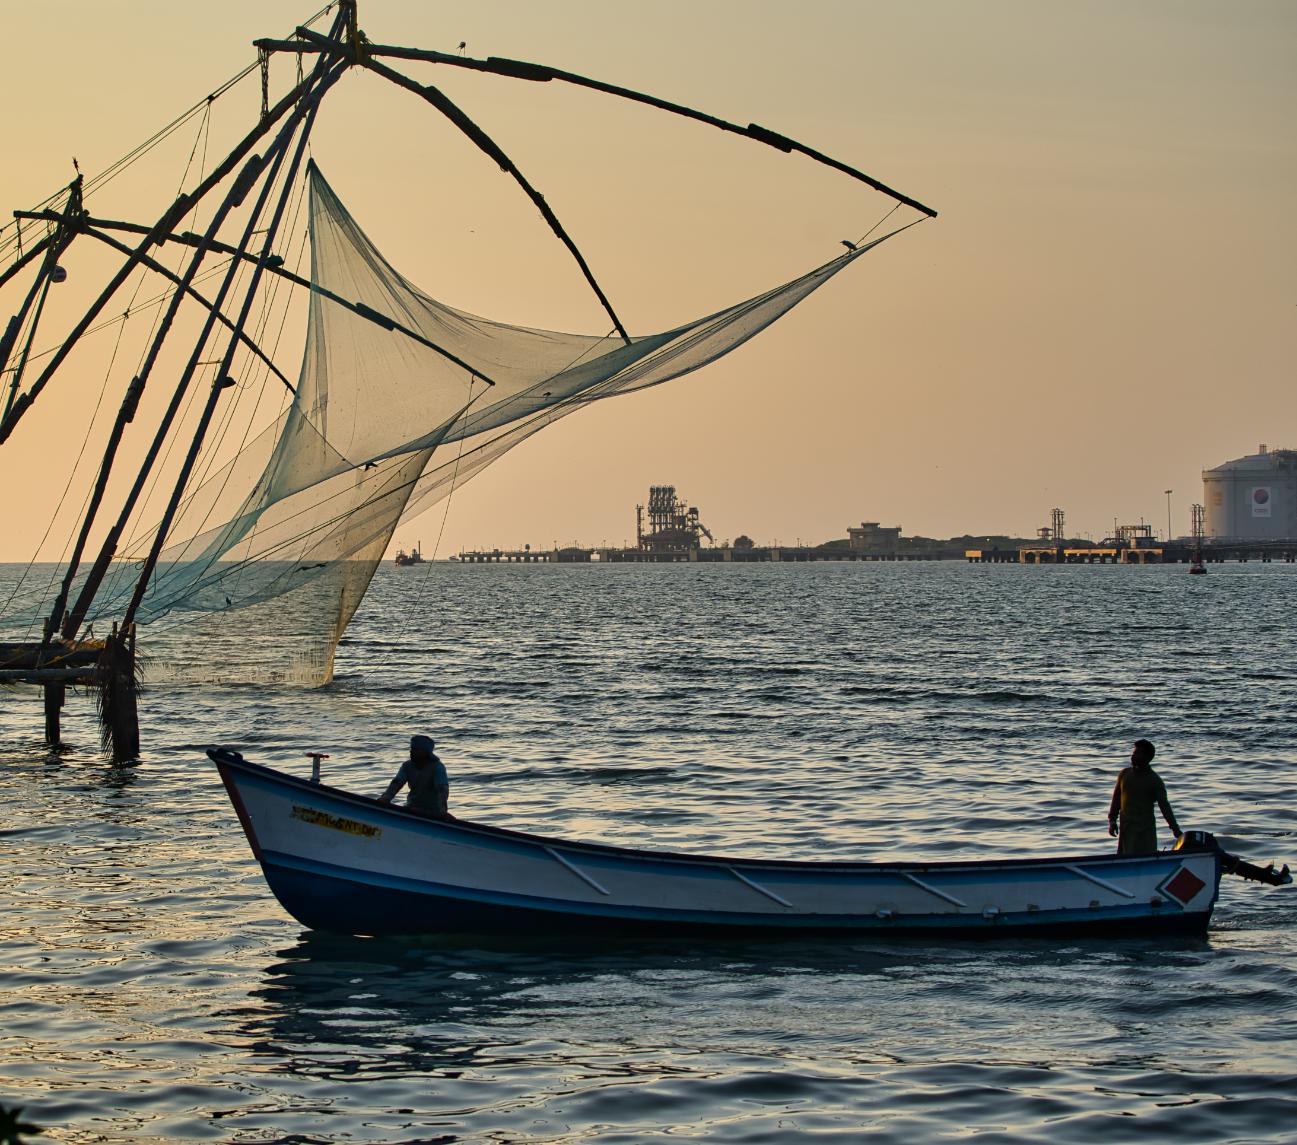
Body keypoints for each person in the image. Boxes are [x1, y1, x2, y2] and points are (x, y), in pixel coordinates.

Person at [1108, 739, 1181, 854]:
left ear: (1147, 758)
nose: (1133, 756)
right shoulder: (1124, 774)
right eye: (1133, 753)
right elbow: (1116, 800)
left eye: (1137, 754)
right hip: (1126, 830)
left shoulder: (1154, 780)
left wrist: (1175, 829)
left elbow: (1164, 806)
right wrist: (1112, 821)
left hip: (1144, 833)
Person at [379, 734, 450, 818]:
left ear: (425, 751)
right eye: (411, 749)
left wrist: (443, 811)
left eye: (416, 749)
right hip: (412, 806)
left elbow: (442, 790)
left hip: (433, 811)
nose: (411, 751)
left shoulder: (437, 767)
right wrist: (386, 798)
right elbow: (396, 783)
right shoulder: (407, 766)